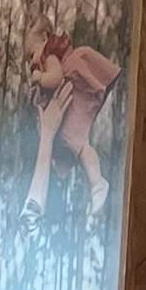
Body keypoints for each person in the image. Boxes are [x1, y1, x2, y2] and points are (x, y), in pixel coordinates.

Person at [23, 26, 120, 214]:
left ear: (45, 38)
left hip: (72, 86)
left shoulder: (49, 56)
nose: (31, 61)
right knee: (80, 144)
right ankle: (96, 182)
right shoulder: (47, 57)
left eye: (31, 54)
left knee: (74, 141)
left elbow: (56, 78)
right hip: (69, 94)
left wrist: (40, 78)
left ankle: (97, 182)